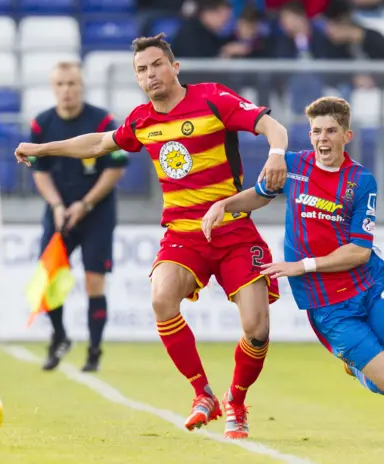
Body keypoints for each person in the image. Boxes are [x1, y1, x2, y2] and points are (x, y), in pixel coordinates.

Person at [15, 34, 288, 439]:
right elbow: (97, 142)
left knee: (257, 327)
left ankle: (238, 400)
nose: (150, 74)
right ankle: (203, 394)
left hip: (233, 229)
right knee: (161, 299)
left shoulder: (213, 98)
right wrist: (43, 148)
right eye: (141, 70)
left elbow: (270, 125)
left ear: (174, 67)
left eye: (157, 65)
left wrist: (276, 154)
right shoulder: (143, 120)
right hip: (183, 234)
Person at [203, 96, 384, 398]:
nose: (322, 139)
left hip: (370, 286)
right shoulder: (292, 166)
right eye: (316, 131)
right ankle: (357, 366)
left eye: (330, 131)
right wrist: (223, 205)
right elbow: (261, 195)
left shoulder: (361, 181)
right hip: (329, 307)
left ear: (346, 136)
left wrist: (301, 266)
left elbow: (359, 252)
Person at [29, 62, 129, 372]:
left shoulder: (103, 121)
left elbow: (115, 168)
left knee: (93, 280)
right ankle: (59, 336)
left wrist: (85, 204)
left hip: (96, 213)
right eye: (60, 84)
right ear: (53, 88)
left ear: (81, 86)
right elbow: (40, 172)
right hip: (60, 213)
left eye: (72, 83)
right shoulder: (41, 124)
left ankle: (95, 351)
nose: (66, 90)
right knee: (49, 278)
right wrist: (58, 206)